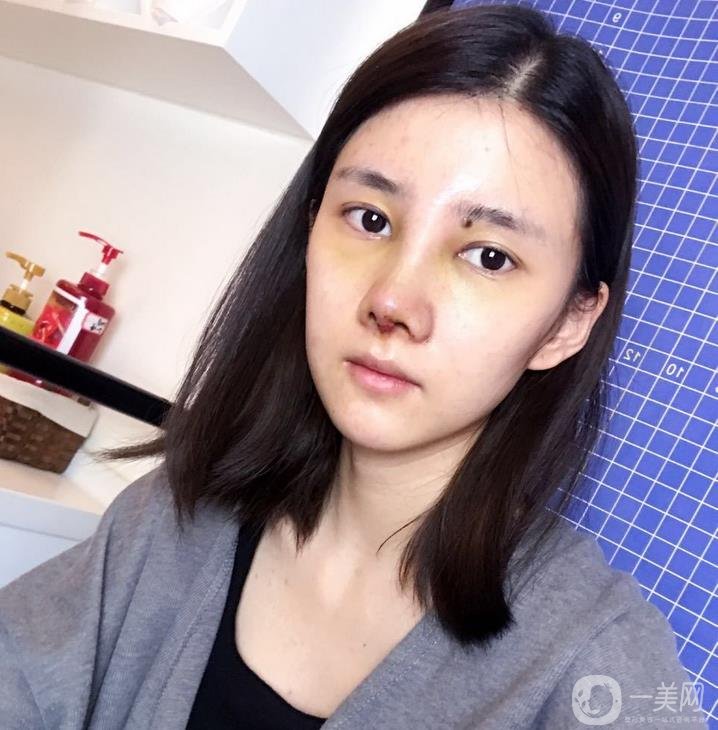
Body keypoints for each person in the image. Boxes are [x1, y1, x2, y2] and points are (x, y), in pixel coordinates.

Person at [0, 3, 709, 729]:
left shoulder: (596, 665)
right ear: (311, 224)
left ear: (567, 323)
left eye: (489, 256)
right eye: (370, 219)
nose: (392, 300)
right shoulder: (173, 516)